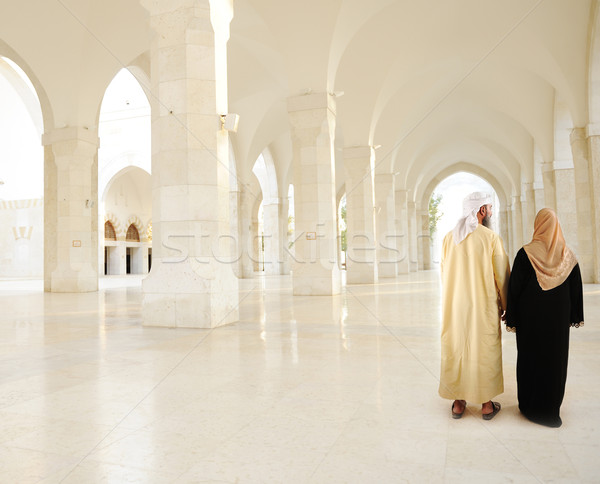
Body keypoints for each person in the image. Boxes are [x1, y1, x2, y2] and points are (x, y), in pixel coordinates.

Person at [504, 208, 583, 428]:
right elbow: (576, 289)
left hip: (530, 320)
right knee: (555, 360)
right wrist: (573, 315)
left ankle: (529, 405)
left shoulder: (526, 253)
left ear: (538, 226)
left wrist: (512, 316)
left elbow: (515, 288)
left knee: (530, 357)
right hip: (557, 321)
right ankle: (550, 408)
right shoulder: (568, 256)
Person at [439, 192, 510, 420]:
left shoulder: (449, 238)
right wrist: (507, 305)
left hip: (455, 305)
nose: (491, 212)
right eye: (489, 208)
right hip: (483, 305)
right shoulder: (490, 238)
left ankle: (458, 403)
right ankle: (487, 405)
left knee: (458, 347)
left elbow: (443, 273)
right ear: (481, 211)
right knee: (483, 349)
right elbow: (502, 276)